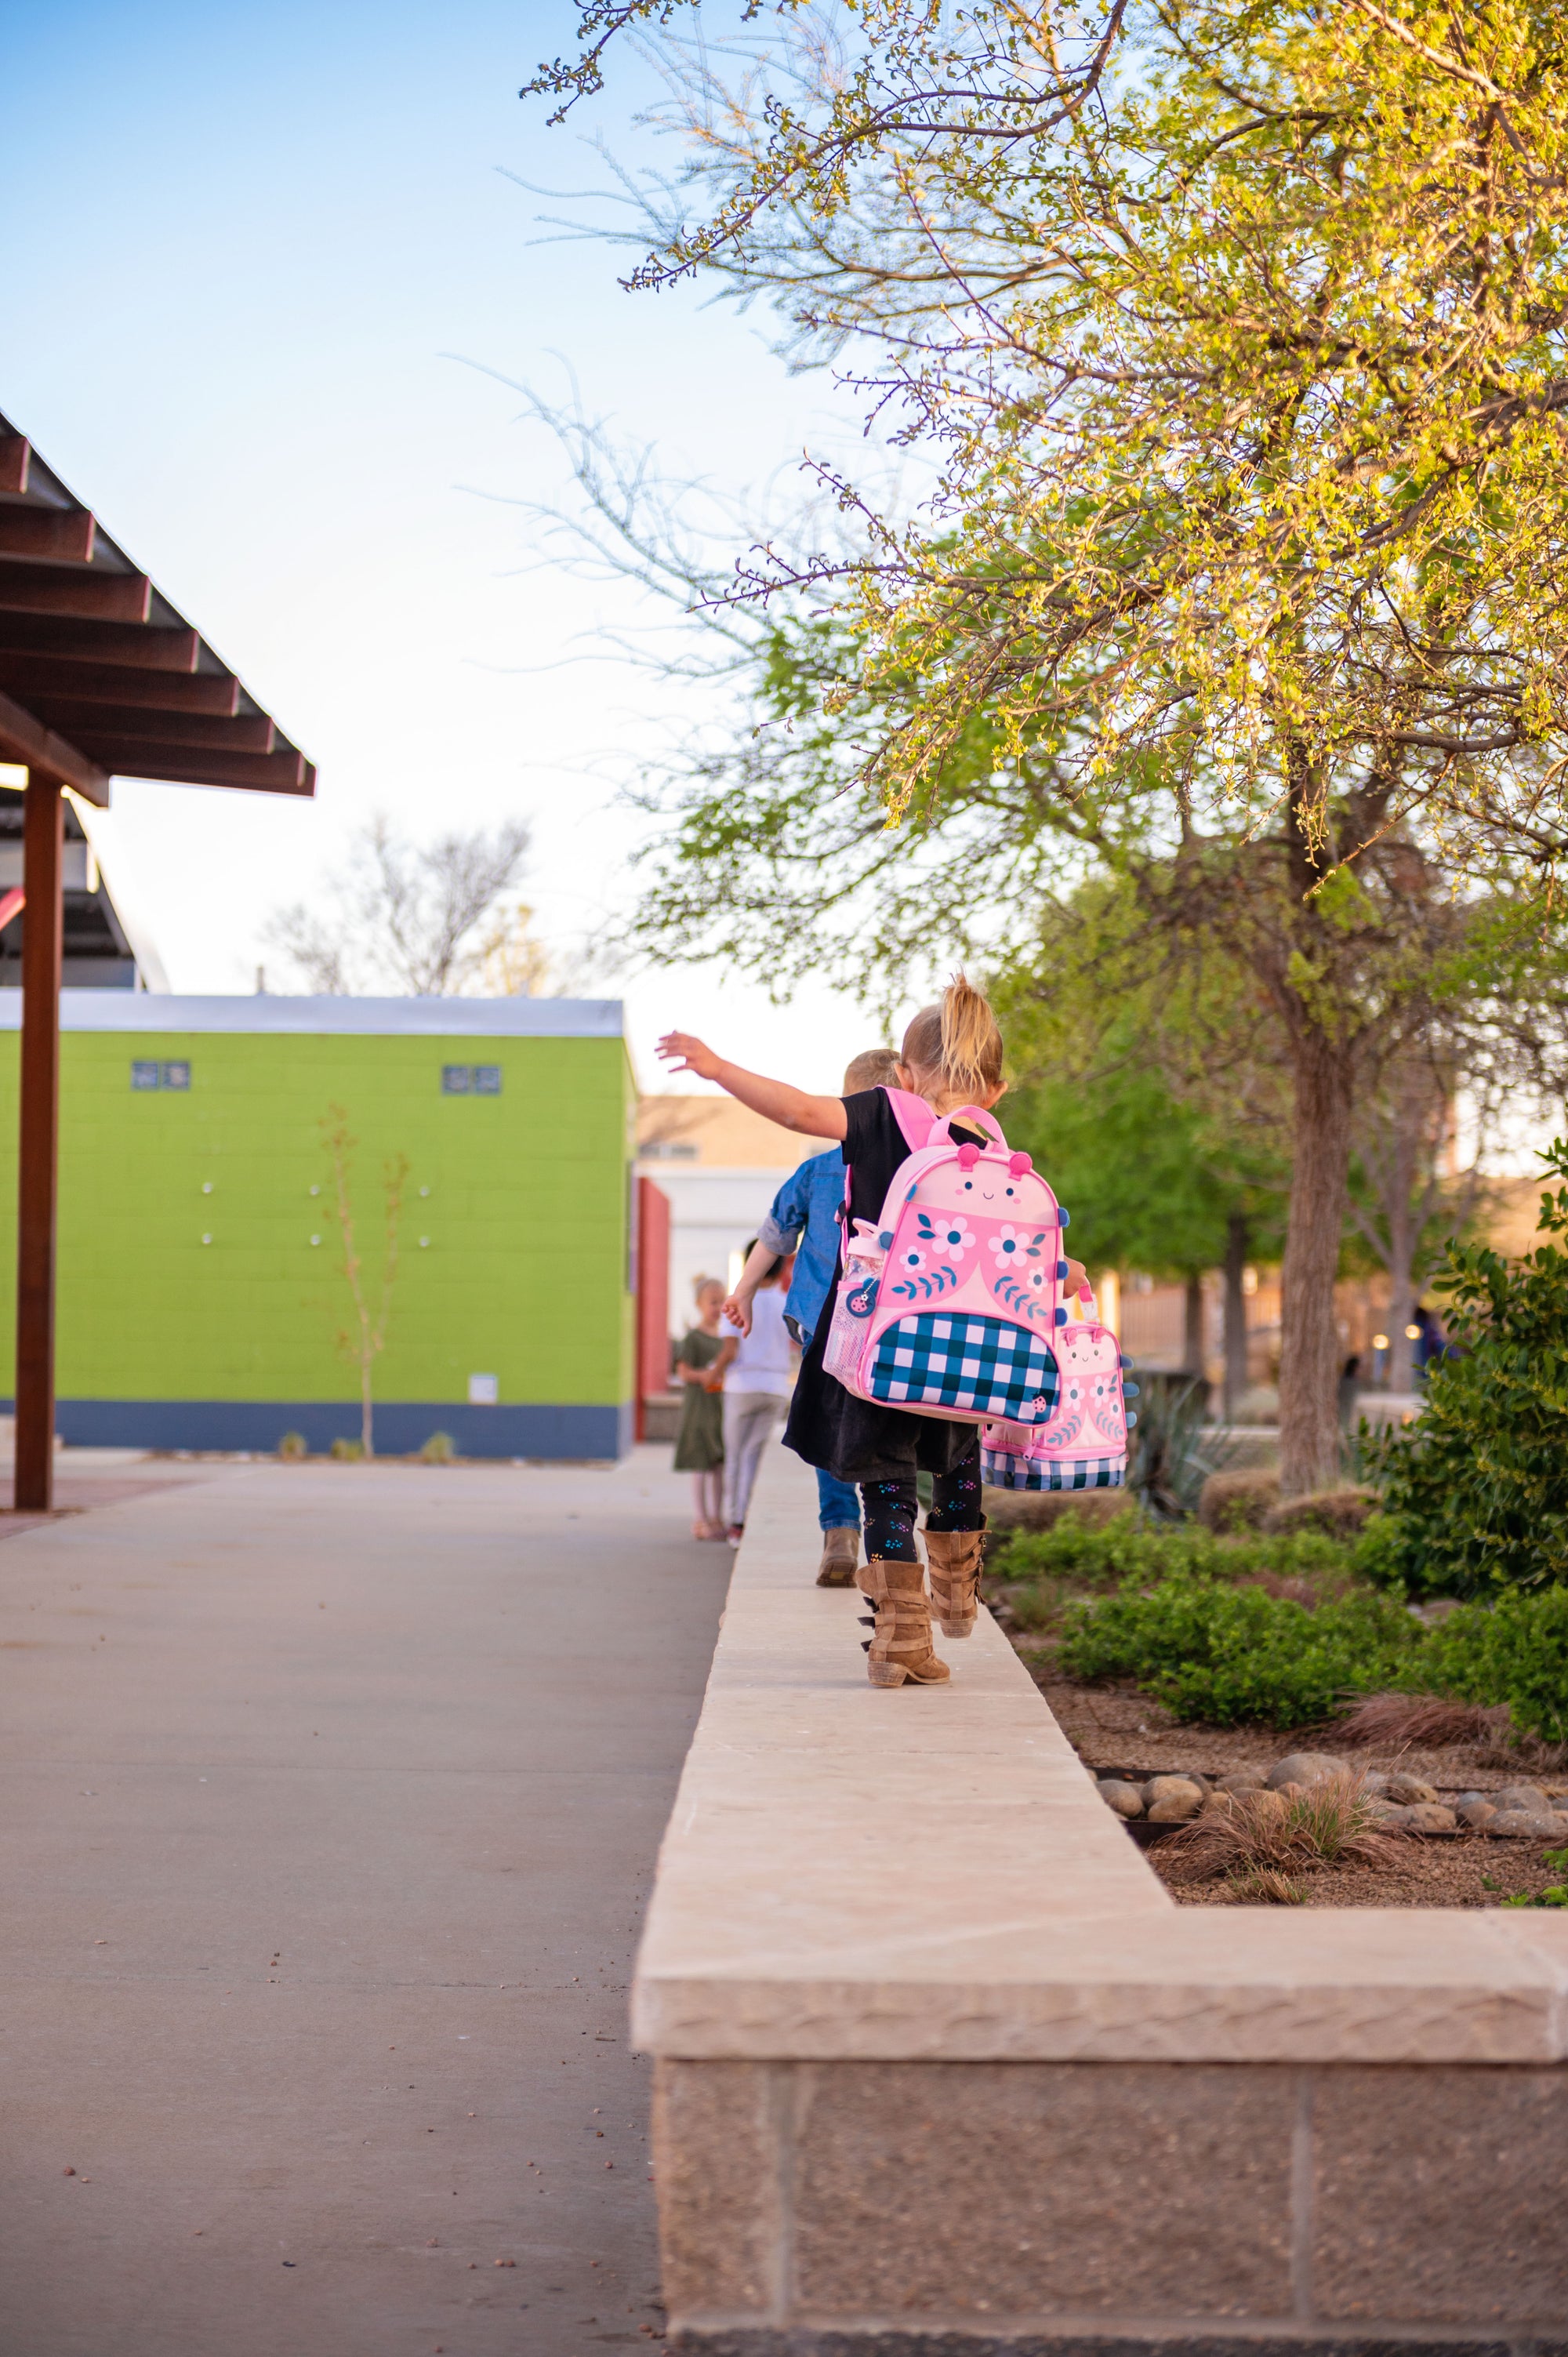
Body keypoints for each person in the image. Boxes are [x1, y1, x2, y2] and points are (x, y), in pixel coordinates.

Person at [659, 975, 1086, 1688]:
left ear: (905, 1073)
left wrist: (718, 1067)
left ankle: (900, 1640)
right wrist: (1067, 1268)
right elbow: (1020, 1241)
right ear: (998, 1087)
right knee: (957, 1465)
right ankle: (956, 1582)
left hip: (881, 1344)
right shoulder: (996, 1142)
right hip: (970, 1350)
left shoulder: (887, 1113)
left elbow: (798, 1111)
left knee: (885, 1486)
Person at [725, 1048, 900, 1588]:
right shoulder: (913, 1167)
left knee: (831, 1423)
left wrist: (746, 1288)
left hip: (822, 1324)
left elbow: (774, 1234)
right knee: (885, 1422)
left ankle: (840, 1529)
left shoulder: (817, 1169)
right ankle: (884, 1534)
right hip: (886, 1321)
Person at [719, 1246, 794, 1544]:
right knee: (753, 1456)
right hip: (775, 1387)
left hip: (740, 1385)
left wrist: (708, 1374)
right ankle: (747, 1519)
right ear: (782, 1270)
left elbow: (729, 1350)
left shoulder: (737, 1303)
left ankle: (734, 1522)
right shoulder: (786, 1303)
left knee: (735, 1456)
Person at [672, 1277, 732, 1539]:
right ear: (699, 1304)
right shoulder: (693, 1338)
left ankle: (717, 1517)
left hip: (721, 1406)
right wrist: (705, 1376)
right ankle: (700, 1519)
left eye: (722, 1301)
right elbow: (682, 1371)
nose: (717, 1307)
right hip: (700, 1407)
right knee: (701, 1464)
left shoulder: (727, 1337)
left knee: (719, 1465)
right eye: (712, 1302)